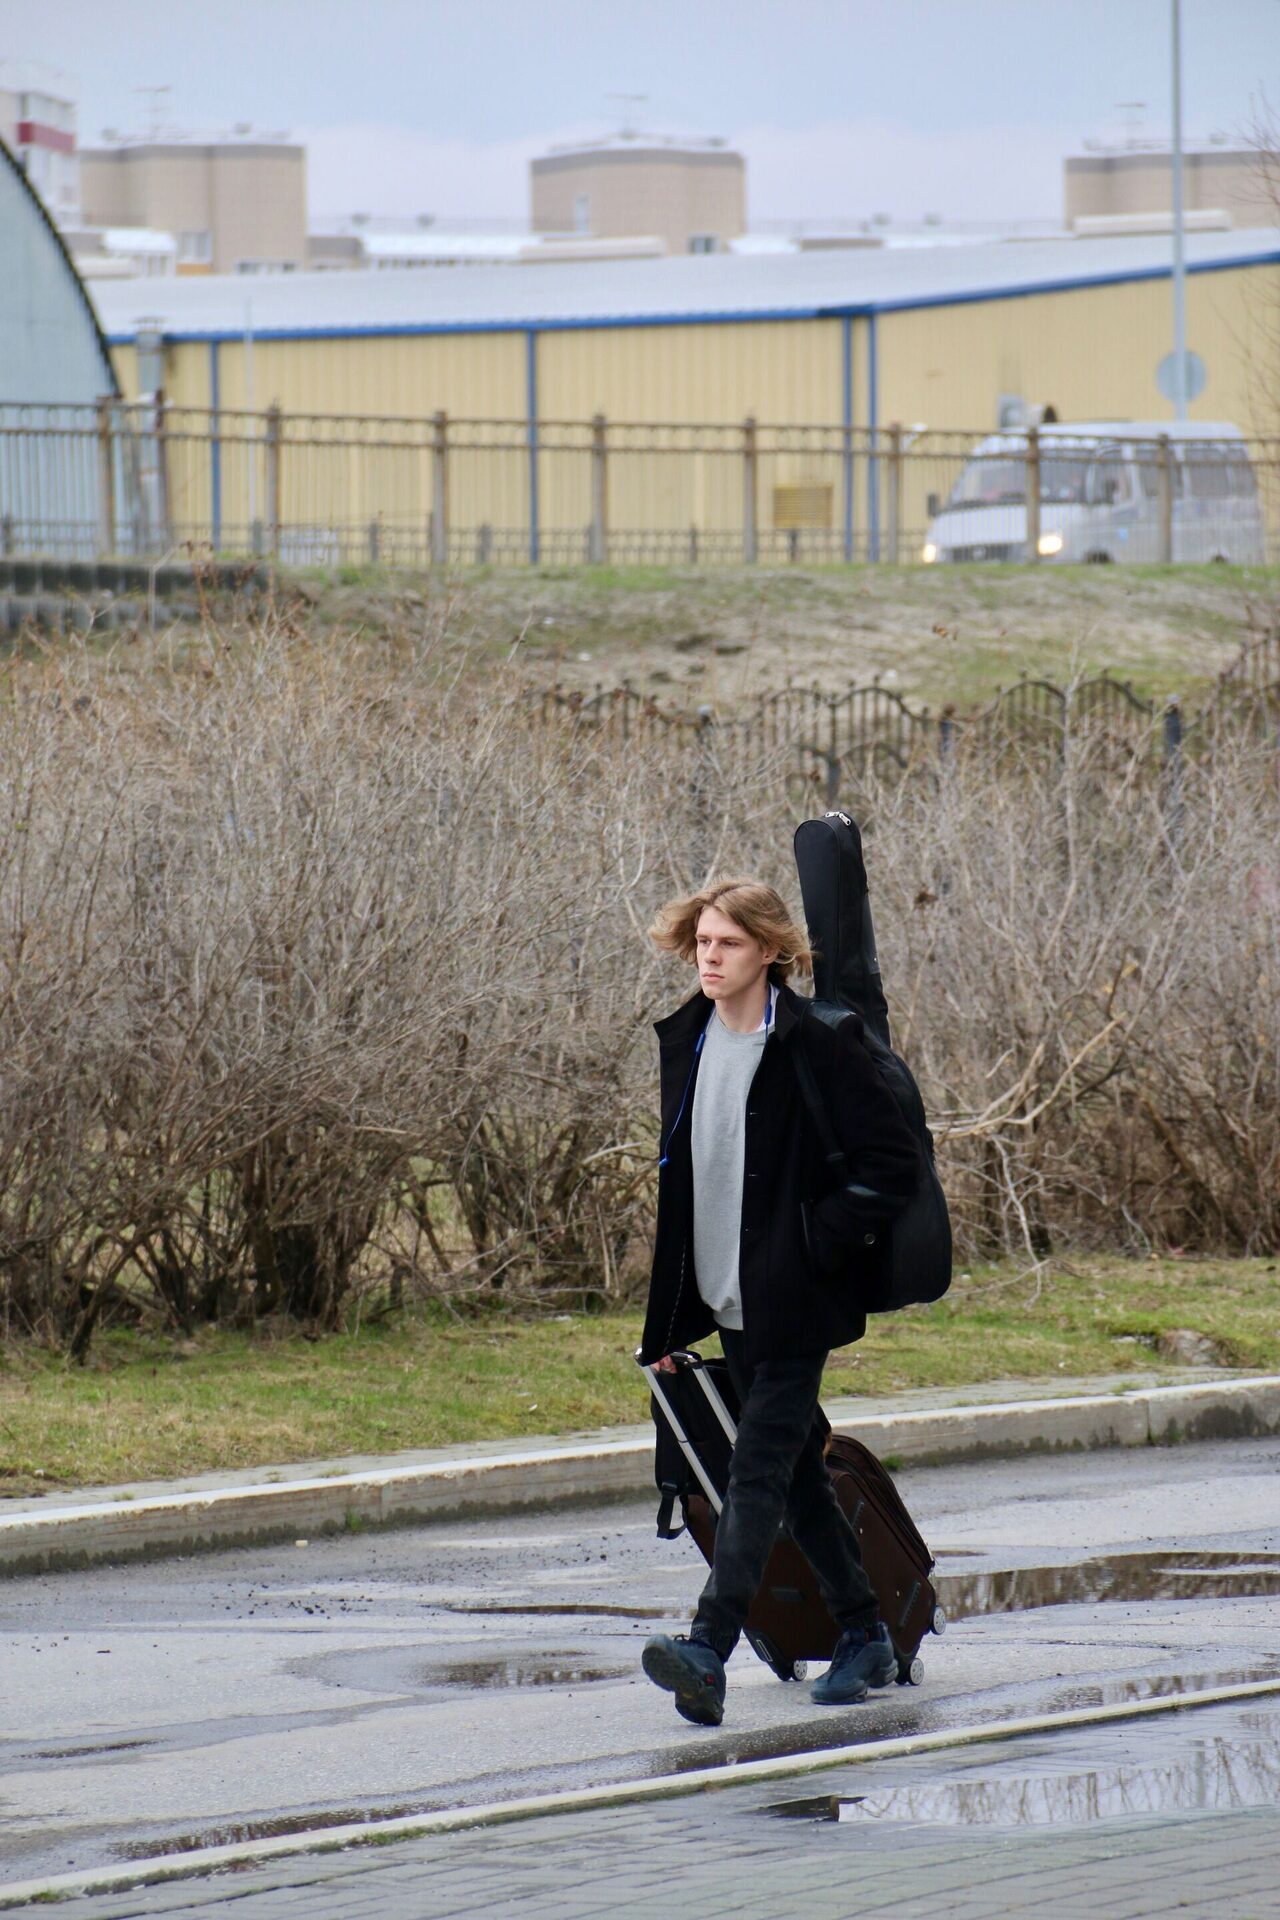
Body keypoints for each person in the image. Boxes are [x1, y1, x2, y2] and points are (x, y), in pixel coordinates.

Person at [638, 877, 920, 1727]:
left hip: (798, 1300)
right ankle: (864, 1631)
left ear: (769, 950)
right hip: (725, 1294)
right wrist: (672, 1317)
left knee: (754, 1470)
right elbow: (688, 1181)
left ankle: (707, 1648)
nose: (709, 957)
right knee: (796, 1478)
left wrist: (813, 1246)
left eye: (727, 943)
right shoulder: (689, 1037)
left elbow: (891, 1164)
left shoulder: (814, 1043)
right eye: (701, 942)